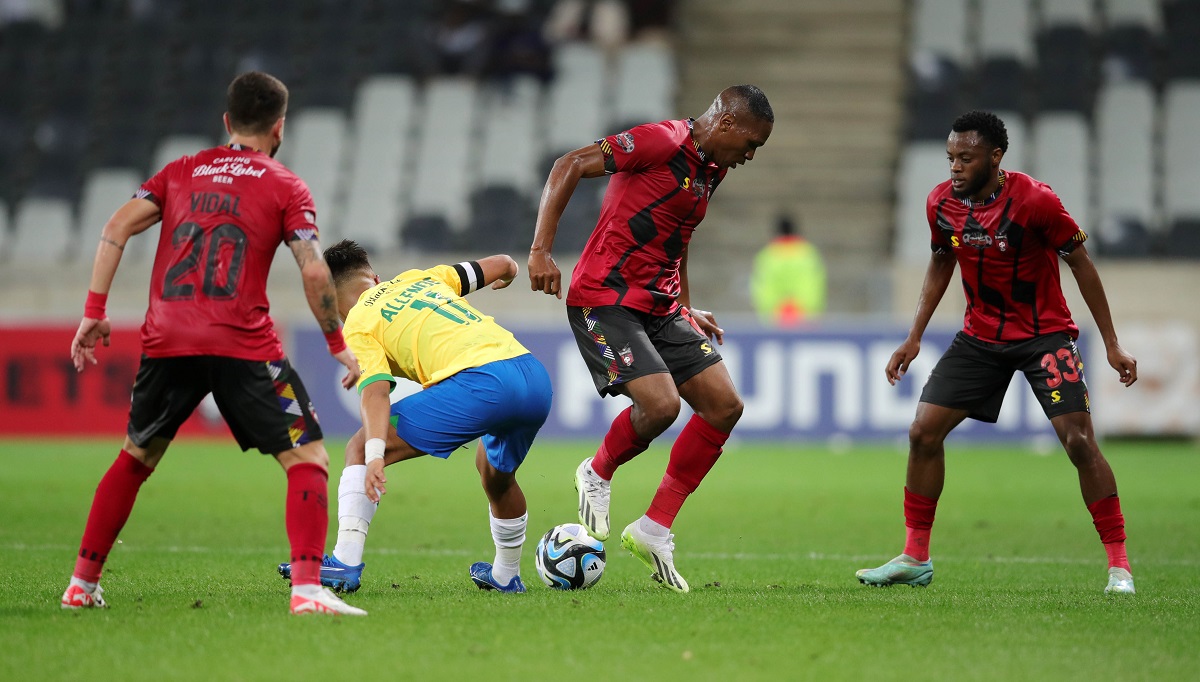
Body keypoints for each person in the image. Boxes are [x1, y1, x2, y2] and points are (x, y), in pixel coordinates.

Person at [62, 71, 365, 616]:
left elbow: (115, 226)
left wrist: (94, 313)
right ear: (279, 127)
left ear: (226, 121)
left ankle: (81, 584)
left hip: (167, 337)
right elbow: (316, 272)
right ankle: (306, 589)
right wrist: (336, 341)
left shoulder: (181, 171)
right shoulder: (284, 185)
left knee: (136, 455)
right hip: (241, 342)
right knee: (310, 457)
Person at [856, 111, 1139, 594]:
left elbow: (1081, 263)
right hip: (980, 338)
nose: (955, 168)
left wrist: (1110, 343)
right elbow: (941, 261)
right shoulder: (942, 205)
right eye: (950, 158)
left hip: (1044, 336)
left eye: (965, 158)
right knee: (923, 432)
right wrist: (914, 335)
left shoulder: (1036, 200)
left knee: (1078, 442)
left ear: (995, 157)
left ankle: (1120, 567)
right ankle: (915, 557)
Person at [528, 84, 774, 593]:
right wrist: (540, 250)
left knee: (725, 406)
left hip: (658, 305)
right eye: (751, 144)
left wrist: (684, 303)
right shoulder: (660, 141)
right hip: (604, 297)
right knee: (661, 407)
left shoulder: (714, 168)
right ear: (726, 124)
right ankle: (597, 471)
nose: (750, 156)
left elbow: (677, 235)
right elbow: (568, 164)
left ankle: (653, 528)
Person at [277, 239, 552, 594]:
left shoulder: (358, 322)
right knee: (494, 474)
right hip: (533, 376)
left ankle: (344, 562)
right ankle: (505, 575)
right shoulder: (420, 278)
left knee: (359, 448)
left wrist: (375, 456)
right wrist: (512, 272)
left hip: (483, 382)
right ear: (374, 278)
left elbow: (375, 393)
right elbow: (501, 262)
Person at [749, 214, 826, 325]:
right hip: (805, 318)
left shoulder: (767, 256)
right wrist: (801, 308)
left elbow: (762, 287)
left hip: (775, 319)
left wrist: (775, 310)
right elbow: (815, 285)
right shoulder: (809, 254)